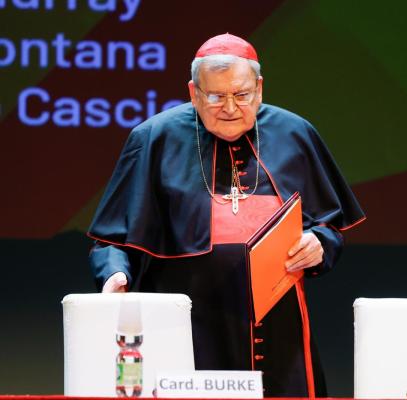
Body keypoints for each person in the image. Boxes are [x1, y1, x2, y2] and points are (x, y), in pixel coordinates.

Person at [88, 33, 365, 397]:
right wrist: (115, 275)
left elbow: (328, 225)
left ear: (260, 88)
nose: (231, 108)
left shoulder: (295, 133)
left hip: (280, 328)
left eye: (242, 94)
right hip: (185, 324)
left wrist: (321, 244)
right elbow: (111, 238)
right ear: (194, 92)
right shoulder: (153, 138)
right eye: (216, 96)